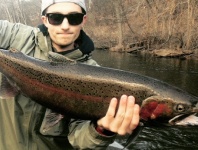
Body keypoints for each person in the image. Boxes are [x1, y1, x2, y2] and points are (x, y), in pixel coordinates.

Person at [0, 0, 140, 149]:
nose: (65, 26)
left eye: (74, 18)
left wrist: (103, 130)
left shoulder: (95, 77)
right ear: (45, 20)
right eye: (56, 18)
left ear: (83, 20)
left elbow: (80, 140)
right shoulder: (17, 36)